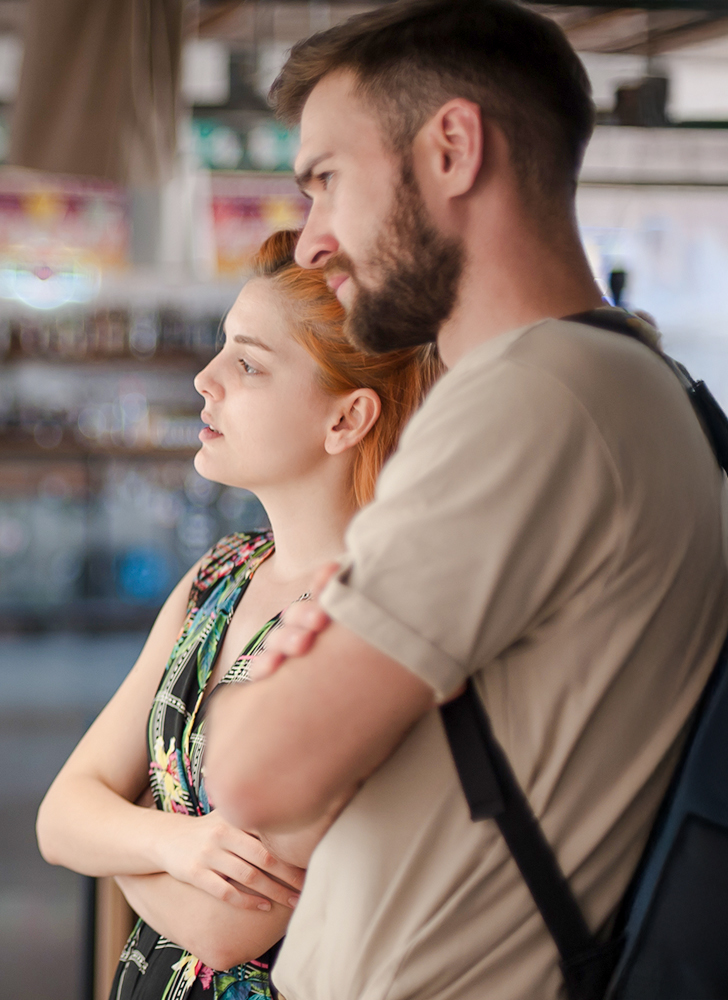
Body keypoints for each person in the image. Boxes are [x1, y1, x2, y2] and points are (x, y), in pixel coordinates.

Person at [201, 3, 728, 999]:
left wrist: (270, 689)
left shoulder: (530, 396)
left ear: (451, 147)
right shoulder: (637, 381)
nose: (313, 241)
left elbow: (251, 775)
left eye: (326, 180)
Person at [36, 229, 440, 1000]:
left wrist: (117, 833)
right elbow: (58, 815)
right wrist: (178, 843)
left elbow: (227, 930)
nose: (205, 379)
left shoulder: (371, 619)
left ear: (347, 419)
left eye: (249, 364)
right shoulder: (220, 573)